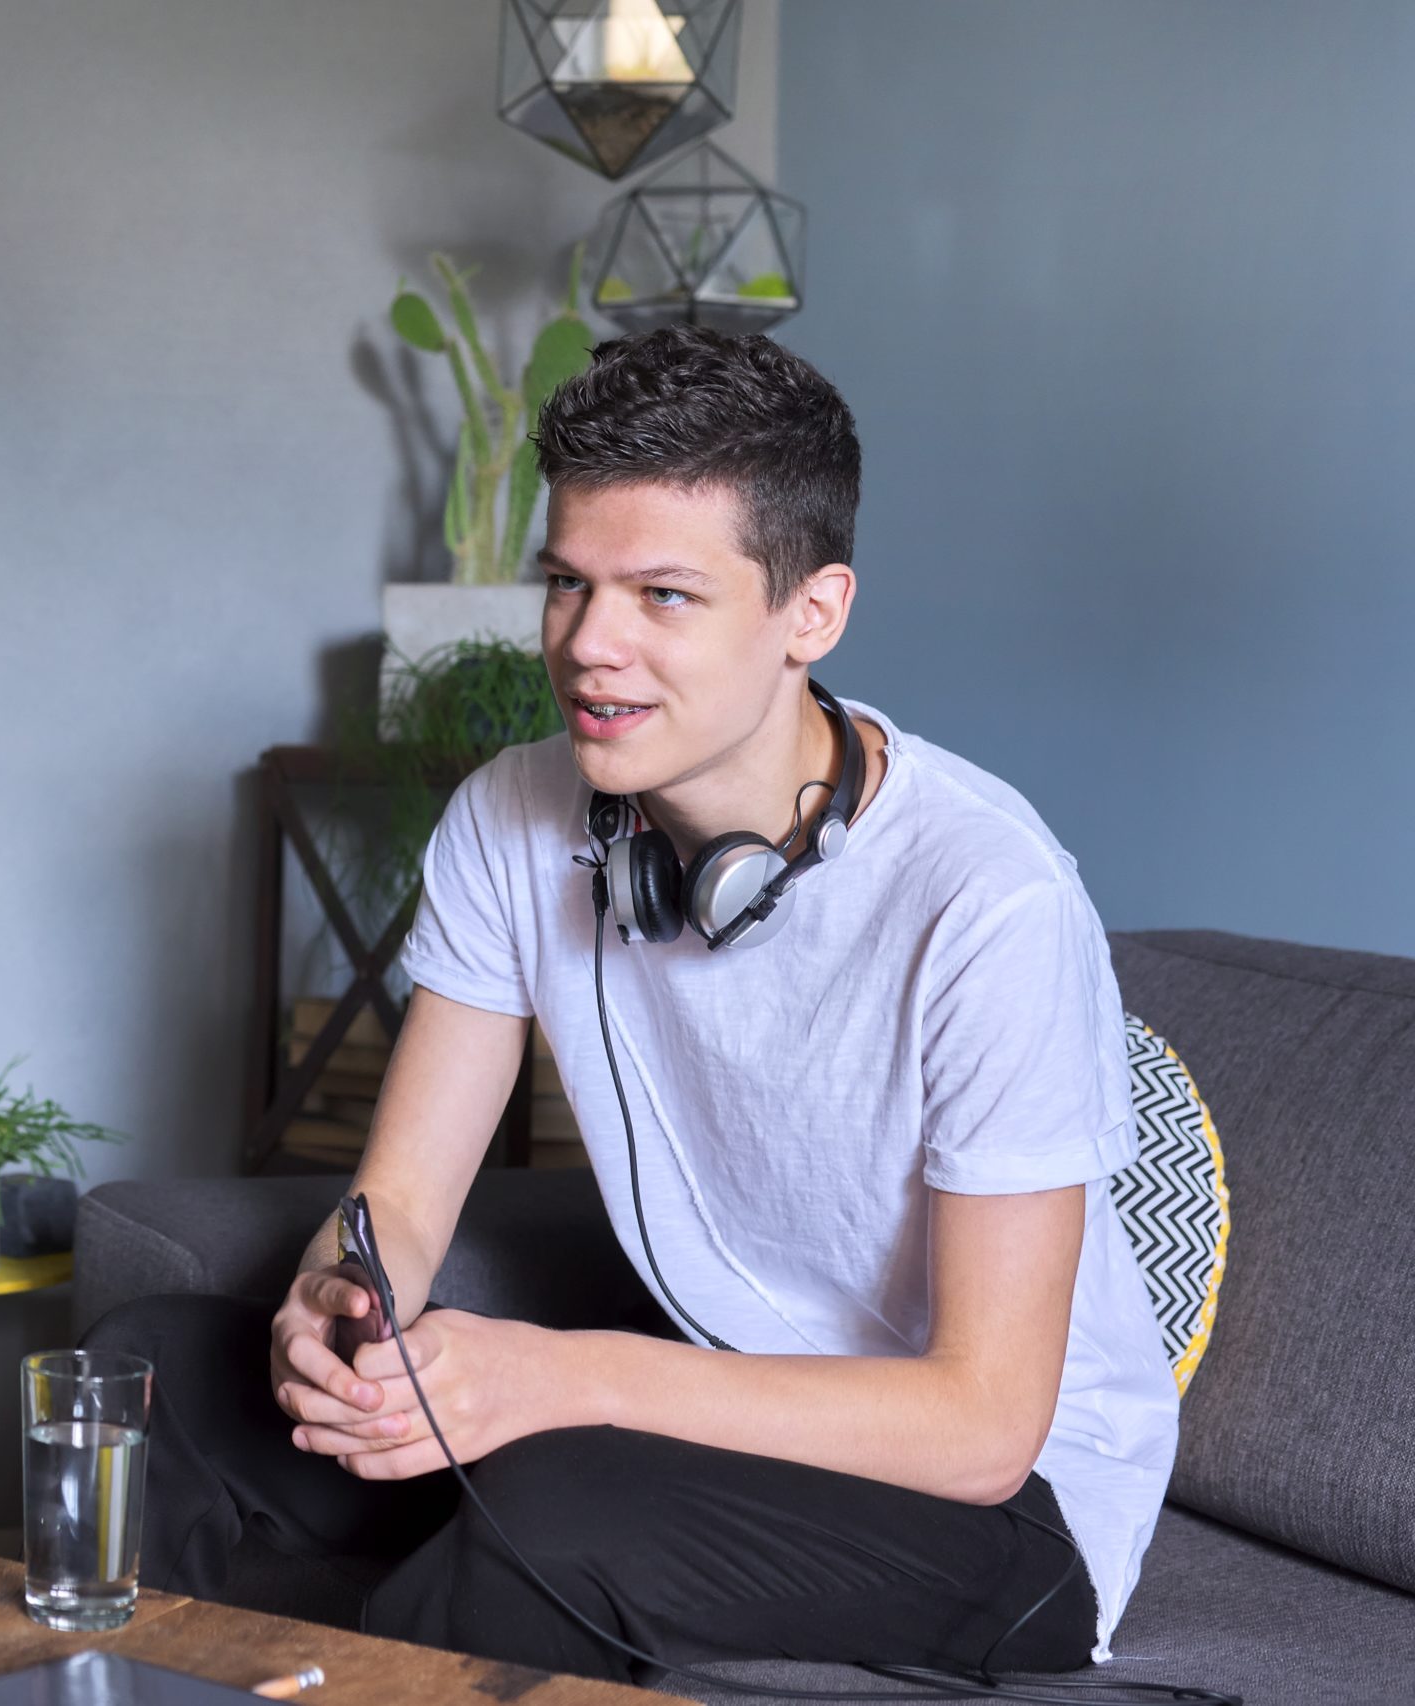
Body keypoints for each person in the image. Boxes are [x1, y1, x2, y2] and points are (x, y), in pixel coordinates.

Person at [89, 326, 1179, 1685]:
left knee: (556, 1518)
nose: (589, 646)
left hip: (1009, 1517)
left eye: (663, 595)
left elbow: (978, 1424)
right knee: (157, 1376)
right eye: (567, 584)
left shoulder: (989, 900)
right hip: (706, 1426)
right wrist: (346, 1302)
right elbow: (404, 1207)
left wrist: (557, 1376)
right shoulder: (514, 811)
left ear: (811, 614)